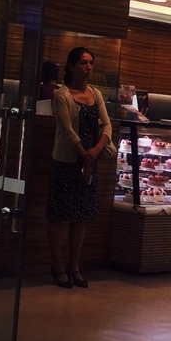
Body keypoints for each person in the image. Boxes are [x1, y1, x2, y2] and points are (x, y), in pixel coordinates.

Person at [47, 46, 113, 289]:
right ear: (71, 66)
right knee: (60, 216)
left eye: (91, 63)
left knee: (80, 217)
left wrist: (95, 151)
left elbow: (107, 125)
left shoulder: (95, 93)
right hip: (67, 162)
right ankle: (57, 266)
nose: (89, 67)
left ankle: (74, 266)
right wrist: (85, 156)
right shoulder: (62, 95)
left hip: (89, 161)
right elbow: (67, 131)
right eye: (84, 63)